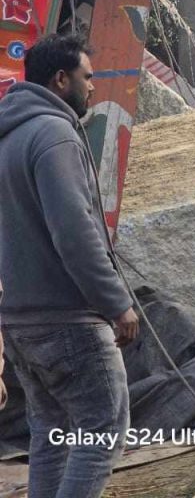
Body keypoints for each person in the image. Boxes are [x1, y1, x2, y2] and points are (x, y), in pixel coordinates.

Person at [0, 33, 138, 498]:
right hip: (66, 319)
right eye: (88, 77)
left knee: (51, 433)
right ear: (61, 79)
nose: (94, 88)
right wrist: (116, 302)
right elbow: (74, 232)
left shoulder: (9, 137)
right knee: (102, 429)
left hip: (19, 319)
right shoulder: (54, 134)